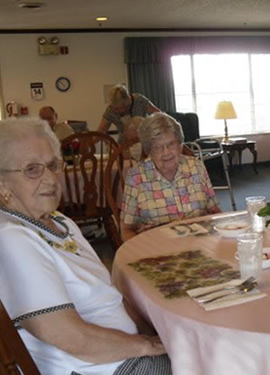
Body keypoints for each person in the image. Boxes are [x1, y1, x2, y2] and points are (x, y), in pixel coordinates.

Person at [0, 117, 171, 375]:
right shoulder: (13, 238)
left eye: (53, 165)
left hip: (123, 353)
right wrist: (145, 344)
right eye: (32, 169)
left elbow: (108, 295)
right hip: (97, 368)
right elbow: (67, 336)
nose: (49, 179)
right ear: (3, 185)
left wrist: (151, 335)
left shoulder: (60, 221)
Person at [121, 112, 221, 241]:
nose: (166, 152)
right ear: (148, 151)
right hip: (157, 250)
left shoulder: (196, 167)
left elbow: (215, 212)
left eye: (171, 144)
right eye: (157, 148)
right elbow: (126, 229)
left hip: (200, 244)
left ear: (180, 145)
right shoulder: (136, 177)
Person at [97, 84, 161, 143]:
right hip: (124, 145)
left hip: (143, 142)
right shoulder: (110, 110)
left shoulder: (139, 100)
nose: (118, 111)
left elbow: (159, 116)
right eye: (115, 109)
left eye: (121, 108)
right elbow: (99, 133)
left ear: (127, 101)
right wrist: (88, 144)